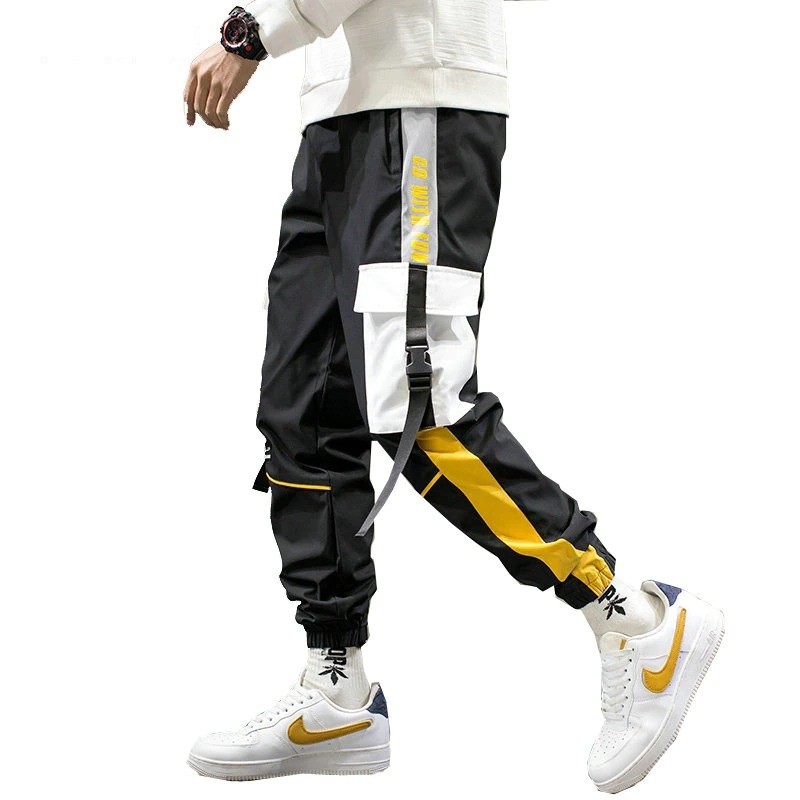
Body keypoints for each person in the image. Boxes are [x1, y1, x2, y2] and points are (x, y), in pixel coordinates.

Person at [183, 1, 724, 792]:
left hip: (417, 103)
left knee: (420, 409)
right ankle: (337, 684)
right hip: (341, 113)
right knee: (305, 410)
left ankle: (634, 622)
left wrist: (250, 34)